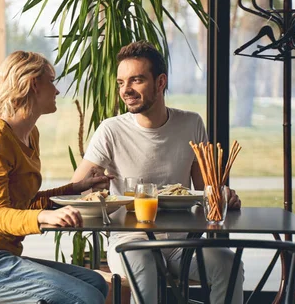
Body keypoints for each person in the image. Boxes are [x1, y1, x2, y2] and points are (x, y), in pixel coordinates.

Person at [71, 41, 244, 304]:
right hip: (132, 240)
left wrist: (223, 195)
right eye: (121, 83)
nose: (126, 90)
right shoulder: (111, 130)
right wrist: (92, 188)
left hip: (182, 243)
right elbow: (77, 186)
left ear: (160, 82)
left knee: (229, 266)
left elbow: (205, 190)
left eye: (136, 80)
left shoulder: (191, 123)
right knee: (145, 268)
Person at [0, 51, 110, 304]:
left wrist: (76, 188)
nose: (57, 90)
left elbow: (22, 202)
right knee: (84, 297)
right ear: (33, 83)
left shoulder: (31, 134)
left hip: (0, 255)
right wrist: (43, 216)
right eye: (51, 81)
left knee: (94, 283)